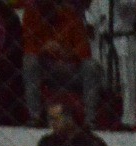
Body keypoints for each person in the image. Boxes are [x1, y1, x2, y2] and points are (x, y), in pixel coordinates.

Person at [20, 0, 100, 129]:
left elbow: (84, 51)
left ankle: (90, 121)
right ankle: (35, 117)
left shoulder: (70, 14)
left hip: (70, 67)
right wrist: (44, 48)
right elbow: (28, 45)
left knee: (91, 66)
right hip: (46, 67)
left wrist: (66, 52)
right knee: (29, 62)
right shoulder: (31, 14)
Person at [85, 0, 136, 129]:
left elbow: (126, 7)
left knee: (127, 82)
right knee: (107, 82)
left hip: (123, 40)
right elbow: (92, 20)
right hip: (105, 42)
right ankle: (107, 117)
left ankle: (128, 119)